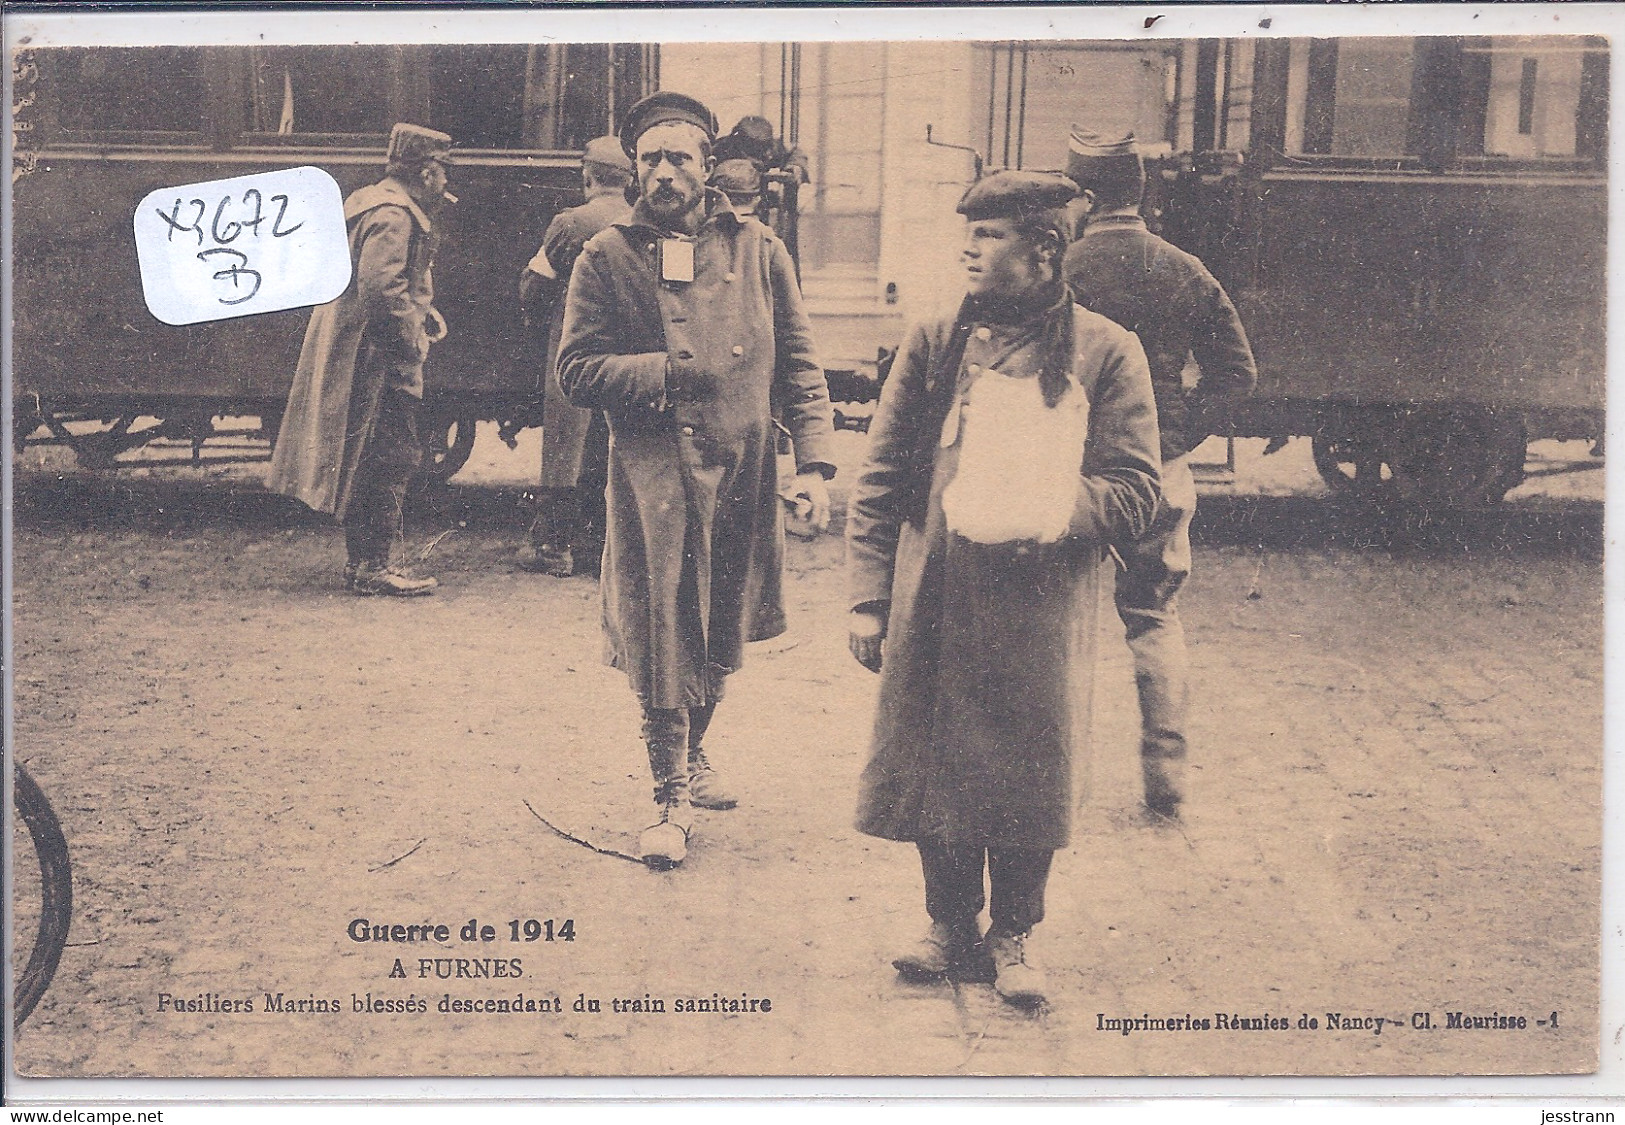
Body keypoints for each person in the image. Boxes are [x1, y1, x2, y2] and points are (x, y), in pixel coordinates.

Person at [845, 170, 1161, 1007]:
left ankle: (1014, 932)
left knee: (1028, 767)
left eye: (988, 236)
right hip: (937, 591)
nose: (968, 249)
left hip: (1038, 603)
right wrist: (867, 594)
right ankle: (947, 922)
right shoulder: (934, 336)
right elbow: (881, 472)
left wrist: (1045, 501)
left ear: (1044, 250)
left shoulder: (1105, 349)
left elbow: (1136, 488)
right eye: (968, 233)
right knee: (933, 760)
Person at [556, 92, 836, 869]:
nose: (665, 172)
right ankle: (670, 792)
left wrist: (813, 462)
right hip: (654, 475)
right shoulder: (606, 255)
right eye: (651, 159)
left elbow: (800, 363)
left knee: (720, 623)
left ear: (708, 166)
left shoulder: (759, 249)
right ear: (635, 170)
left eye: (681, 157)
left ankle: (694, 750)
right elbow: (574, 369)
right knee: (661, 629)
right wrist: (662, 371)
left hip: (741, 469)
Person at [1061, 131, 1257, 820]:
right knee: (1153, 616)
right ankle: (1165, 772)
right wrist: (1171, 437)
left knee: (1057, 620)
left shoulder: (1061, 267)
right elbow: (1237, 373)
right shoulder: (1184, 268)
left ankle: (1056, 775)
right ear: (1138, 192)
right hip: (1159, 468)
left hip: (1069, 473)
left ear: (1083, 197)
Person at [268, 123, 455, 597]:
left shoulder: (373, 203)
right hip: (376, 361)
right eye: (443, 172)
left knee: (372, 458)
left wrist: (421, 311)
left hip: (358, 350)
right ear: (428, 172)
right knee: (393, 458)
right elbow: (381, 290)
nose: (445, 183)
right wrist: (411, 340)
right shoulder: (396, 216)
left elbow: (383, 285)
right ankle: (374, 566)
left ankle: (363, 563)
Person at [517, 136, 634, 578]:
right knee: (615, 442)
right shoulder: (645, 222)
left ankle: (554, 546)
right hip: (630, 353)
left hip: (575, 347)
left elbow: (535, 283)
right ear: (629, 179)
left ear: (588, 177)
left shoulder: (571, 223)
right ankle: (607, 549)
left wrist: (539, 320)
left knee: (565, 443)